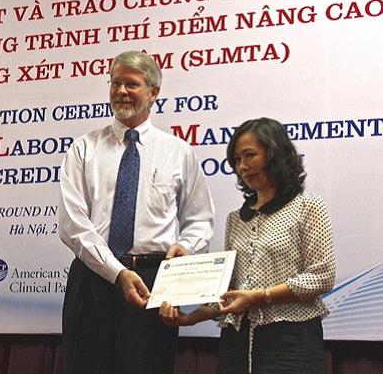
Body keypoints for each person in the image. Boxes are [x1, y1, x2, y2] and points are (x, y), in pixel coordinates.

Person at [58, 50, 215, 374]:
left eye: (132, 84)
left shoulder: (178, 152)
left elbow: (200, 220)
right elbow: (73, 225)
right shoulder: (84, 149)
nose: (121, 92)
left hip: (153, 282)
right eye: (115, 83)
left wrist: (186, 248)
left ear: (154, 91)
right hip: (93, 280)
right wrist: (116, 272)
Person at [160, 117, 336, 374]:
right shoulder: (235, 219)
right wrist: (190, 317)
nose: (242, 166)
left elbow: (322, 276)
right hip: (236, 343)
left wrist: (259, 296)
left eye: (249, 155)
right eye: (236, 159)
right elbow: (230, 293)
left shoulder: (308, 206)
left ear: (275, 155)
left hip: (291, 341)